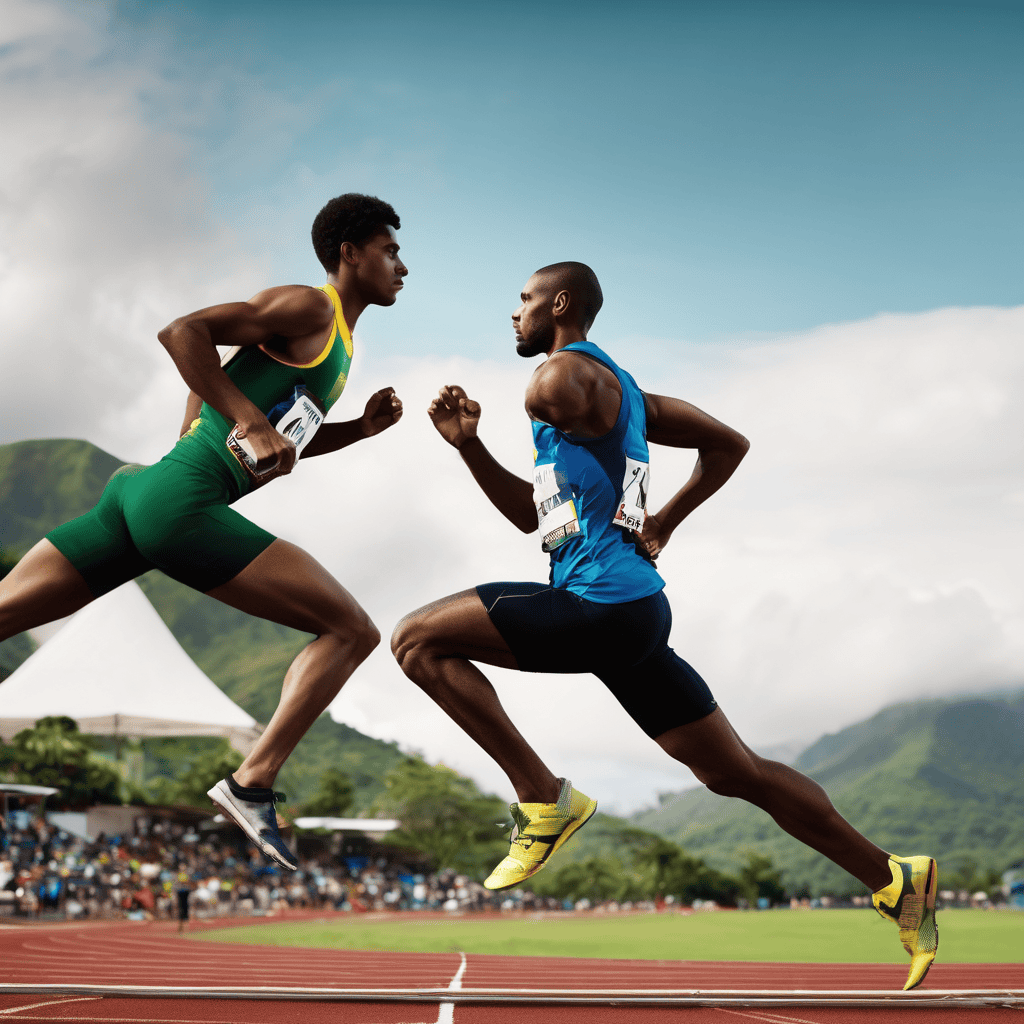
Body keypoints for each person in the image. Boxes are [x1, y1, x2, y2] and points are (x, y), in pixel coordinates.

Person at [391, 261, 938, 990]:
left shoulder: (554, 383)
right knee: (733, 773)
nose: (513, 313)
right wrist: (471, 448)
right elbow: (555, 509)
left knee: (415, 639)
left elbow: (651, 446)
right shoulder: (633, 398)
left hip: (600, 605)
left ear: (559, 304)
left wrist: (656, 514)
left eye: (523, 300)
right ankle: (897, 879)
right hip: (636, 612)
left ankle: (542, 796)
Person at [0, 193, 408, 873]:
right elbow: (183, 332)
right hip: (179, 501)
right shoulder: (312, 307)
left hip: (146, 490)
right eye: (392, 250)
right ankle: (252, 784)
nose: (402, 266)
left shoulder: (337, 347)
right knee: (353, 631)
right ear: (351, 253)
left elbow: (277, 438)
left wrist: (357, 430)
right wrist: (246, 419)